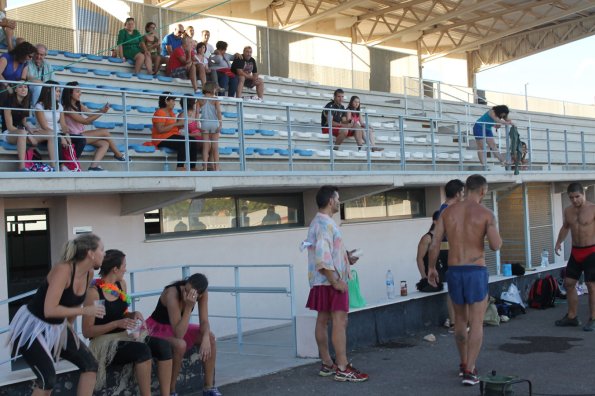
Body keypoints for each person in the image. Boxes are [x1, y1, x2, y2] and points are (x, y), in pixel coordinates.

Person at [7, 233, 106, 395]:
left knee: (90, 365)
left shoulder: (89, 274)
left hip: (57, 326)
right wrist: (85, 311)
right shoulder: (64, 270)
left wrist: (69, 327)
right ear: (90, 253)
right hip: (33, 327)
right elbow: (50, 309)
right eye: (102, 249)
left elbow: (74, 302)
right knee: (48, 379)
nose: (104, 253)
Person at [428, 174, 502, 386]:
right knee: (477, 322)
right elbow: (496, 246)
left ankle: (463, 364)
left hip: (454, 270)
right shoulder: (486, 214)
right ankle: (470, 369)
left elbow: (434, 244)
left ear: (465, 189)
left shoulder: (448, 212)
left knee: (460, 320)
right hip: (475, 271)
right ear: (483, 191)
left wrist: (432, 268)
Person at [82, 249, 173, 396]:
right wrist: (116, 324)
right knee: (142, 351)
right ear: (115, 269)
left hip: (123, 337)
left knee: (163, 345)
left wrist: (132, 314)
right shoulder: (94, 293)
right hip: (104, 343)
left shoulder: (120, 285)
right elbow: (87, 331)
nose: (126, 269)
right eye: (124, 265)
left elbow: (120, 312)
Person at [304, 185, 369, 382]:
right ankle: (342, 366)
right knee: (340, 322)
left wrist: (346, 257)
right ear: (331, 200)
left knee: (322, 321)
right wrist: (336, 282)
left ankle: (327, 363)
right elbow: (323, 257)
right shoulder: (325, 224)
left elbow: (326, 252)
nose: (339, 202)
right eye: (338, 199)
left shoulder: (318, 222)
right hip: (331, 281)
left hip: (321, 281)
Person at [145, 273, 222, 396]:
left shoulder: (203, 293)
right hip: (157, 328)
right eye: (185, 288)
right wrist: (188, 307)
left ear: (199, 295)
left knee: (211, 338)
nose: (184, 293)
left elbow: (204, 321)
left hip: (179, 326)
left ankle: (209, 388)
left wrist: (206, 338)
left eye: (189, 292)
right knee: (180, 345)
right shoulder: (172, 293)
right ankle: (172, 391)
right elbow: (179, 334)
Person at [554, 182, 595, 332]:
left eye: (577, 197)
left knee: (591, 286)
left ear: (583, 194)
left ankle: (593, 318)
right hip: (576, 252)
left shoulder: (592, 209)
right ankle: (572, 317)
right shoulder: (568, 211)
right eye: (571, 198)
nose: (574, 200)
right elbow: (565, 227)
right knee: (569, 283)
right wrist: (559, 242)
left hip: (591, 251)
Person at [62, 81, 128, 171]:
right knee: (104, 131)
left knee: (105, 143)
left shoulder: (78, 104)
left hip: (81, 134)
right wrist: (101, 112)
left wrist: (102, 110)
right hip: (73, 136)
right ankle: (118, 155)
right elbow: (86, 121)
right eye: (77, 91)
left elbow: (90, 115)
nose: (80, 93)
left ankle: (93, 167)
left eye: (80, 91)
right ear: (70, 93)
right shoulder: (67, 108)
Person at [438, 179, 465, 329]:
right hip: (451, 250)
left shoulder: (444, 208)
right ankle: (455, 320)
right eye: (462, 192)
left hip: (448, 250)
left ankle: (456, 319)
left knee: (454, 285)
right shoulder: (449, 209)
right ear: (457, 193)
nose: (463, 195)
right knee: (455, 285)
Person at [151, 92, 199, 171]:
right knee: (183, 141)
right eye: (172, 101)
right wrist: (177, 124)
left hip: (171, 135)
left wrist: (181, 125)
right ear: (166, 101)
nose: (174, 103)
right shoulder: (159, 112)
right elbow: (160, 129)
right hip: (161, 139)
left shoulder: (171, 113)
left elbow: (174, 127)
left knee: (192, 140)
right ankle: (180, 166)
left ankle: (192, 167)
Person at [34, 80, 74, 170]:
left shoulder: (59, 106)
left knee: (79, 140)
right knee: (58, 139)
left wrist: (66, 134)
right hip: (46, 134)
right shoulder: (39, 106)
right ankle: (61, 166)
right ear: (49, 90)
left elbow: (63, 124)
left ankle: (71, 163)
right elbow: (44, 127)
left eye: (59, 91)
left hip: (57, 132)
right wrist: (60, 136)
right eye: (57, 91)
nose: (59, 94)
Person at [2, 83, 34, 170]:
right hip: (8, 133)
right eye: (20, 87)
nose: (23, 89)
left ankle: (54, 167)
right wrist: (26, 134)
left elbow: (24, 122)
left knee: (48, 134)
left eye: (25, 87)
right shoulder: (8, 101)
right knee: (23, 133)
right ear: (15, 90)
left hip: (21, 131)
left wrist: (31, 131)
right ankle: (22, 167)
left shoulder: (26, 102)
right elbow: (9, 127)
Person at [416, 211, 445, 288]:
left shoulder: (448, 237)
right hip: (433, 278)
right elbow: (419, 258)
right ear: (435, 222)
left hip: (448, 276)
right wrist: (424, 277)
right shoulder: (427, 238)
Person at [197, 82, 222, 171]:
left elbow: (197, 114)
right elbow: (218, 112)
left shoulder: (199, 99)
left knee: (205, 147)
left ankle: (205, 167)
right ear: (212, 89)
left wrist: (197, 123)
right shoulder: (215, 99)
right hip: (214, 123)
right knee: (215, 146)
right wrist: (221, 123)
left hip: (204, 123)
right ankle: (217, 167)